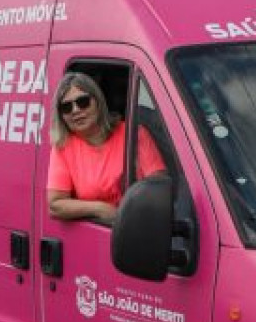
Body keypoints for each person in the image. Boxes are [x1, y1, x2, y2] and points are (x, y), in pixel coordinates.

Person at [46, 71, 166, 223]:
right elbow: (55, 205)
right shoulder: (63, 147)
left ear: (98, 101)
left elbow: (159, 188)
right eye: (66, 107)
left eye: (83, 102)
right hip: (98, 235)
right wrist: (101, 209)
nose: (75, 110)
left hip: (140, 226)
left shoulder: (134, 134)